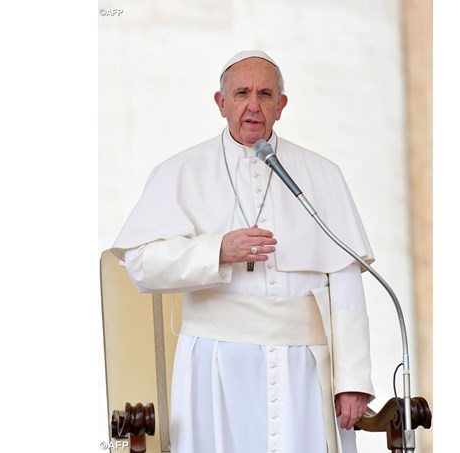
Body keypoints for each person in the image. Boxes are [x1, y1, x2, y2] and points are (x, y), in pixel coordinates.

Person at [112, 50, 376, 453]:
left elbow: (345, 283)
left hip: (303, 368)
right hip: (214, 364)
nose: (254, 105)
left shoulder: (322, 174)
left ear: (280, 106)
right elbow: (140, 264)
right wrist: (217, 250)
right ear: (221, 103)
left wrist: (353, 381)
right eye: (241, 93)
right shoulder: (180, 170)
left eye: (265, 94)